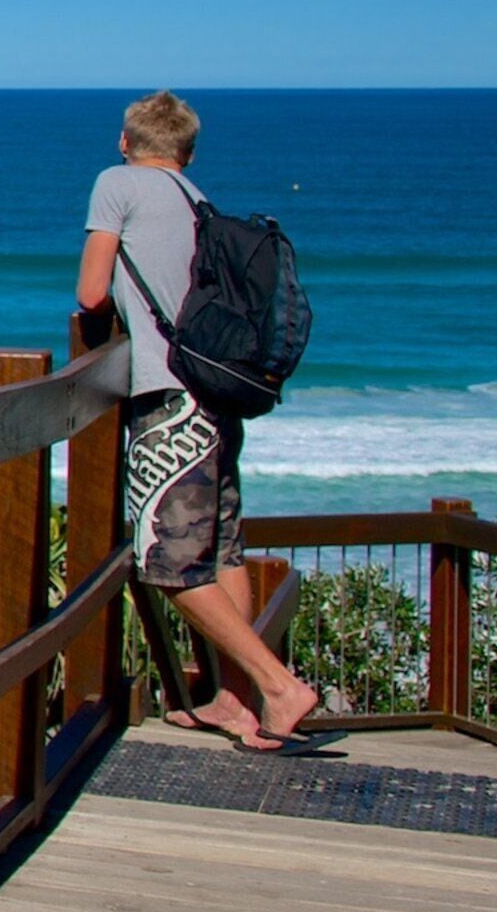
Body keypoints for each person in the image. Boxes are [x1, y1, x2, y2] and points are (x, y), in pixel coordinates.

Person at [76, 90, 326, 752]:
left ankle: (278, 685)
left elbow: (92, 293)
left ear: (126, 142)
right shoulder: (196, 200)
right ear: (186, 151)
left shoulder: (116, 184)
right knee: (221, 552)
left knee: (166, 562)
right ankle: (232, 701)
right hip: (216, 398)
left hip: (168, 401)